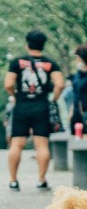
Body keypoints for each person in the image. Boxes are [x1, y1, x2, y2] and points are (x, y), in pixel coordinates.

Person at [4, 29, 63, 190]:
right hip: (41, 106)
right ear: (43, 45)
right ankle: (41, 180)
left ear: (27, 43)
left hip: (22, 105)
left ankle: (13, 181)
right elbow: (60, 84)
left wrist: (15, 95)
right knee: (42, 144)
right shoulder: (51, 63)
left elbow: (8, 84)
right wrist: (54, 99)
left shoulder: (17, 62)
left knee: (17, 144)